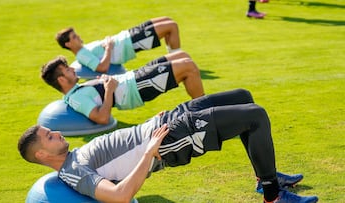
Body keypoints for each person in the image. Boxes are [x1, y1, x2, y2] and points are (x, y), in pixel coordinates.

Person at [18, 89, 318, 203]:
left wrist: (151, 123)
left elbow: (121, 143)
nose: (56, 132)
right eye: (49, 135)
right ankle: (272, 195)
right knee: (255, 116)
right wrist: (149, 152)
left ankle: (264, 178)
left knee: (244, 97)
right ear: (42, 155)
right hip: (167, 141)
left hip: (162, 123)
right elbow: (120, 196)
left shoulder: (73, 154)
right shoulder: (73, 172)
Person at [41, 51, 204, 124]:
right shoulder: (76, 99)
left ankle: (202, 107)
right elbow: (102, 118)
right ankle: (202, 111)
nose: (73, 69)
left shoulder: (77, 90)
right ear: (62, 80)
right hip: (136, 88)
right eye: (68, 70)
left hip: (134, 77)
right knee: (187, 66)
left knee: (181, 56)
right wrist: (110, 89)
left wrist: (104, 81)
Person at [56, 16, 181, 73]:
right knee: (171, 26)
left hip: (127, 35)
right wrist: (109, 48)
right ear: (68, 44)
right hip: (130, 43)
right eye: (74, 37)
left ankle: (175, 59)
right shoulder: (81, 55)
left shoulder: (84, 49)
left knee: (167, 20)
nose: (78, 36)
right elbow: (102, 68)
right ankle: (177, 60)